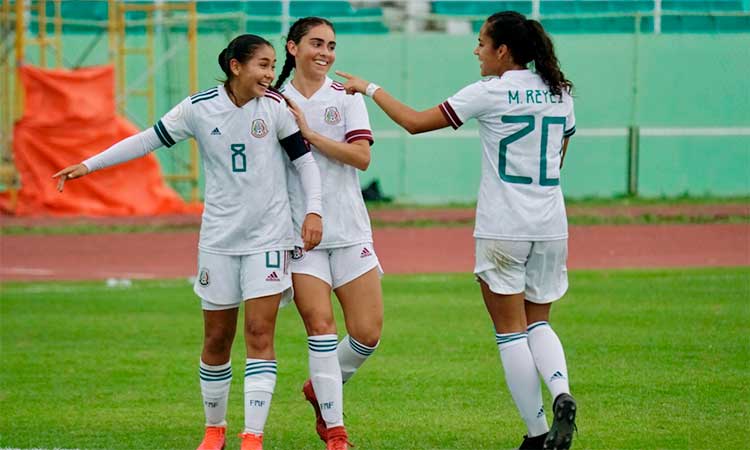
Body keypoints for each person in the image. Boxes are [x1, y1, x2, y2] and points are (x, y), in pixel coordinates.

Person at [53, 34, 324, 450]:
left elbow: (304, 165)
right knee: (216, 339)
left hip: (268, 237)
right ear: (236, 67)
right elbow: (147, 139)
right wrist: (90, 165)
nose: (271, 75)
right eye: (263, 65)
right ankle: (214, 430)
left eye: (273, 66)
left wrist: (313, 211)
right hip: (217, 239)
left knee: (259, 334)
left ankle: (252, 436)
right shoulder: (198, 108)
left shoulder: (276, 110)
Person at [336, 11, 577, 450]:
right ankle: (561, 391)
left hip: (504, 225)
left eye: (482, 43)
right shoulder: (560, 92)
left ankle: (537, 433)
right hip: (551, 224)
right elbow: (559, 156)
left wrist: (368, 88)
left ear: (503, 51)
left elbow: (413, 122)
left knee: (509, 332)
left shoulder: (489, 92)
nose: (476, 51)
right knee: (539, 322)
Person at [272, 16, 384, 450]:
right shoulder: (274, 101)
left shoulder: (347, 98)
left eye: (331, 45)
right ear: (292, 47)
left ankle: (320, 389)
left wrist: (310, 135)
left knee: (367, 334)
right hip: (301, 237)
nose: (325, 52)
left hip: (350, 230)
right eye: (316, 43)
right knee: (320, 327)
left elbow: (361, 158)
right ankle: (336, 433)